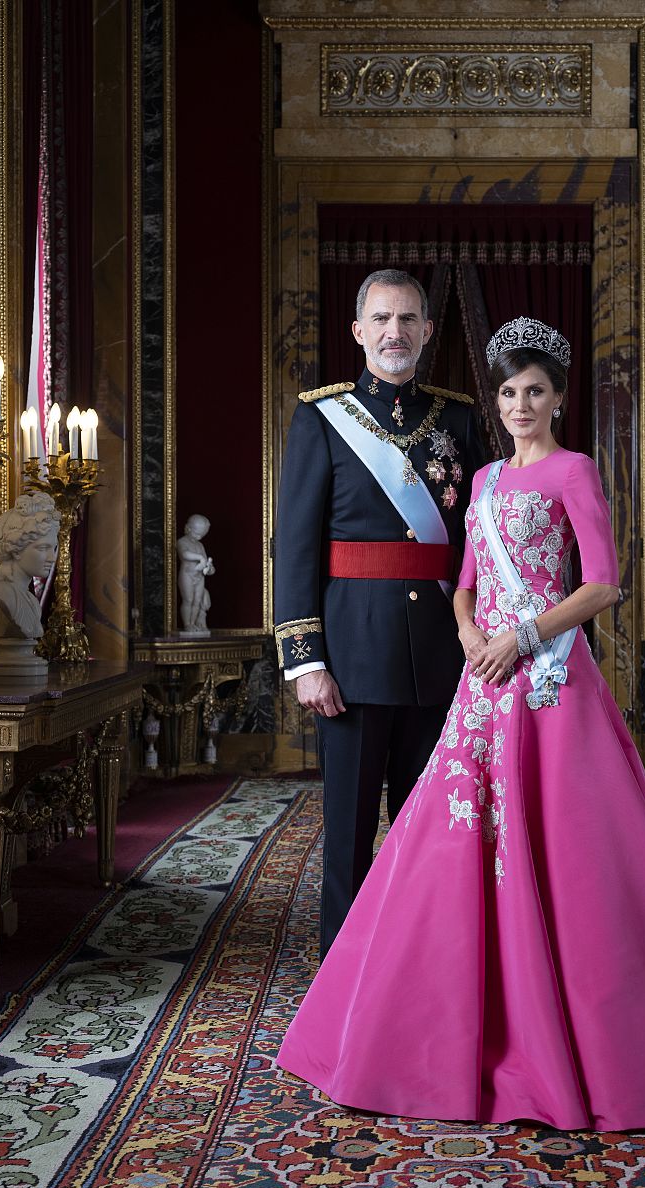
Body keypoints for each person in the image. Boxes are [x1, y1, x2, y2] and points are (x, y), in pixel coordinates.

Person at [276, 316, 645, 1131]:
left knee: (565, 849)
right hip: (483, 682)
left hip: (550, 684)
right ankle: (445, 1018)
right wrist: (469, 635)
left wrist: (522, 637)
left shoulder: (575, 472)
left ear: (558, 398)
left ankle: (582, 1019)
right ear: (498, 398)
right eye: (510, 392)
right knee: (450, 846)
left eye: (536, 392)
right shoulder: (482, 480)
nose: (521, 404)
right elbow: (462, 580)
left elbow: (605, 585)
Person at [274, 269, 485, 960]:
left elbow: (479, 545)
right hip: (352, 662)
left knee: (436, 830)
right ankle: (346, 978)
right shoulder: (321, 417)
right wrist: (306, 660)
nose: (395, 332)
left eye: (408, 319)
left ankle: (427, 967)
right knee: (349, 833)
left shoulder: (458, 420)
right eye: (382, 319)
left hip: (442, 659)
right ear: (359, 331)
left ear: (427, 331)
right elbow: (297, 548)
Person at [0, 492, 59, 640]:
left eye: (53, 549)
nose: (52, 558)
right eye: (42, 548)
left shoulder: (31, 601)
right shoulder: (0, 589)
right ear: (16, 550)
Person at [177, 514, 215, 633]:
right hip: (187, 575)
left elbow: (205, 561)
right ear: (188, 528)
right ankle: (187, 624)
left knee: (197, 601)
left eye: (202, 535)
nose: (199, 537)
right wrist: (199, 557)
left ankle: (193, 624)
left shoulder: (200, 545)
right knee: (188, 599)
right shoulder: (182, 541)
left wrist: (209, 568)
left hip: (199, 577)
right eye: (196, 534)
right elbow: (185, 554)